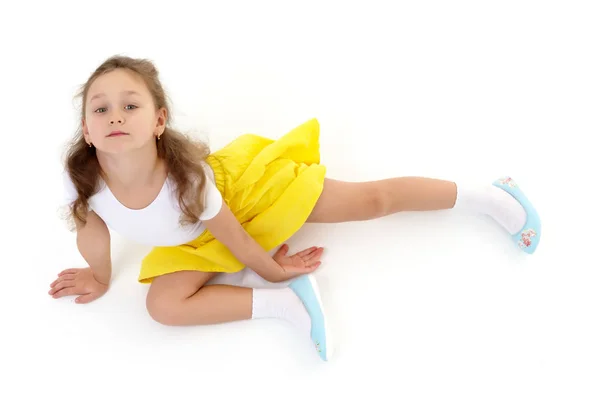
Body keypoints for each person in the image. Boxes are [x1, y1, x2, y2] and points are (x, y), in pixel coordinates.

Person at [49, 55, 541, 361]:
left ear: (158, 121)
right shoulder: (88, 182)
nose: (115, 115)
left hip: (248, 199)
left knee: (370, 201)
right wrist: (98, 273)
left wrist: (272, 267)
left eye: (130, 105)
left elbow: (238, 237)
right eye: (100, 108)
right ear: (87, 130)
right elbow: (93, 231)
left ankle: (491, 195)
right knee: (161, 305)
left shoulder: (187, 182)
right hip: (194, 240)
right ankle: (285, 304)